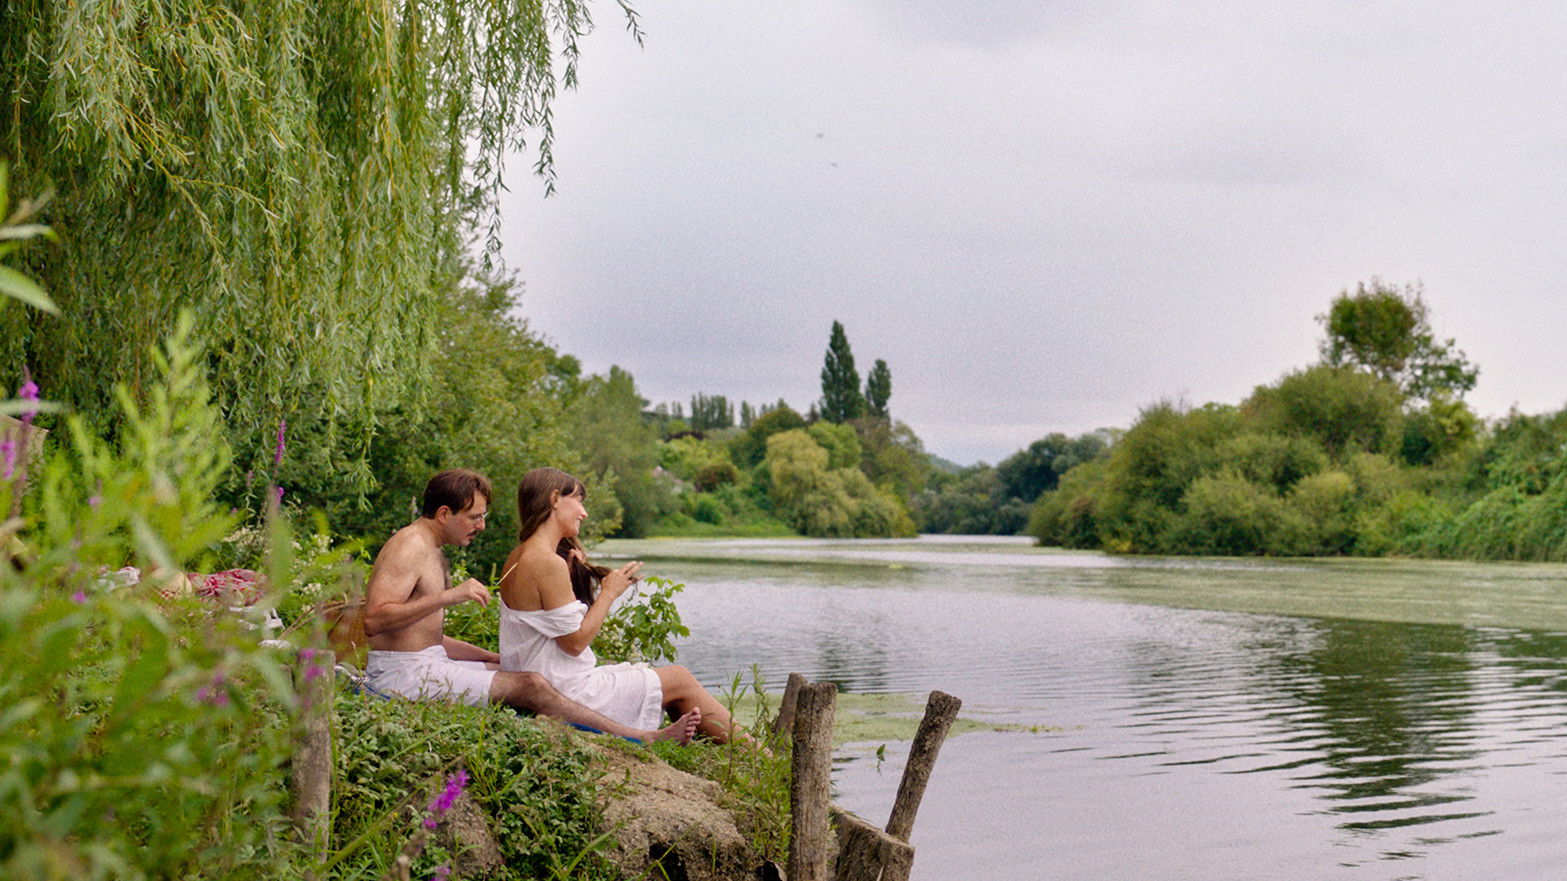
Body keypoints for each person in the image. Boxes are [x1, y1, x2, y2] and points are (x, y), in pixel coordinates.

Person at [362, 468, 699, 743]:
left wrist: (491, 658)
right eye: (474, 517)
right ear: (444, 513)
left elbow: (423, 637)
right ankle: (641, 737)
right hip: (402, 675)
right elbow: (374, 620)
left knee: (516, 672)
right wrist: (449, 596)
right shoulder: (409, 545)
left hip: (423, 663)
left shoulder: (430, 548)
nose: (481, 526)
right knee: (531, 685)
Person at [498, 467, 745, 743]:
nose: (584, 512)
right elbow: (575, 643)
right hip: (563, 692)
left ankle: (724, 748)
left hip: (543, 680)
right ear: (555, 499)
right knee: (680, 678)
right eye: (579, 500)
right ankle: (762, 759)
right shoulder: (545, 561)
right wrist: (609, 593)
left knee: (658, 678)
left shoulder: (518, 555)